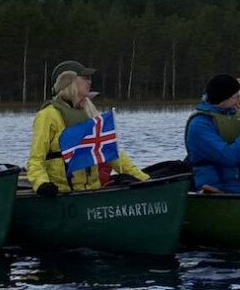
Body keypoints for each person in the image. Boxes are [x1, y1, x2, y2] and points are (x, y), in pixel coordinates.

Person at [25, 60, 151, 196]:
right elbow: (35, 160)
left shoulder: (89, 114)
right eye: (85, 78)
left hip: (93, 191)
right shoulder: (48, 115)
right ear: (69, 82)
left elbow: (112, 153)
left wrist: (145, 180)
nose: (89, 82)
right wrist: (42, 184)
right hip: (63, 194)